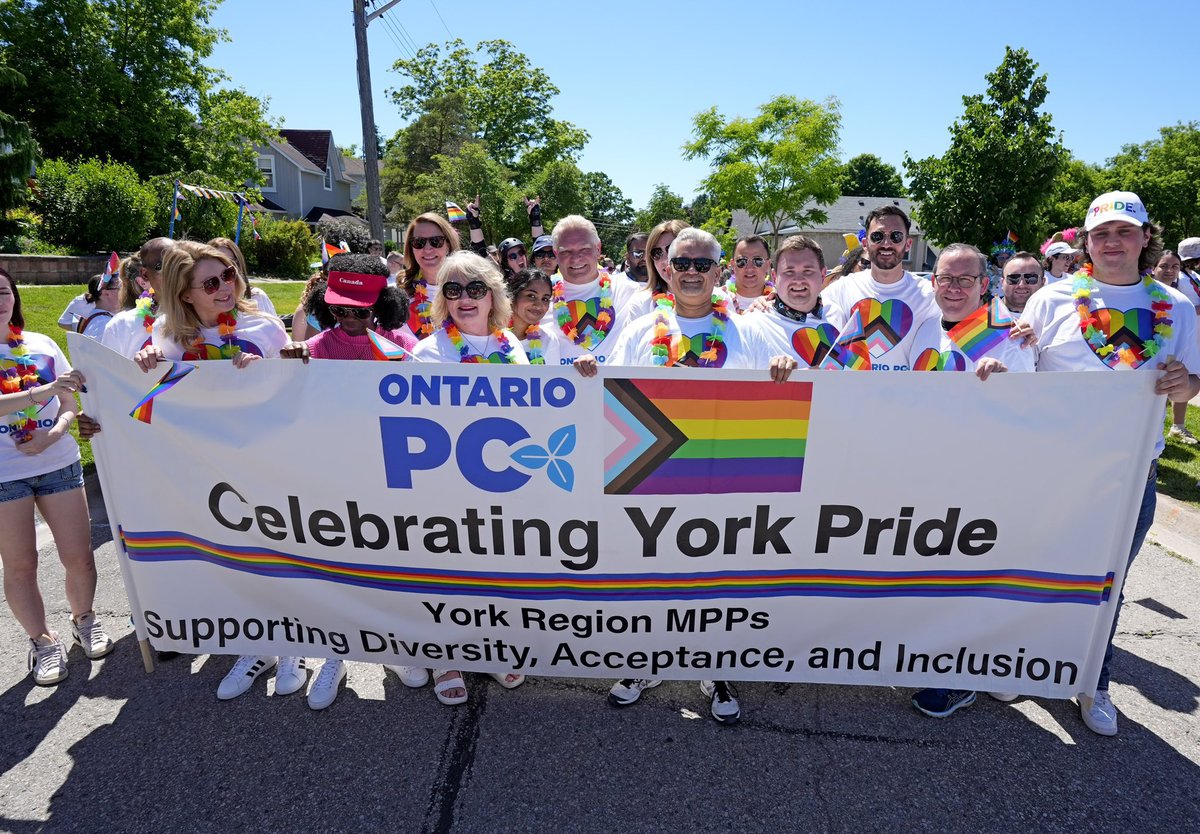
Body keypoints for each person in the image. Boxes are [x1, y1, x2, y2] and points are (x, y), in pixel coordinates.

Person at [1015, 191, 1200, 736]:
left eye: (1124, 232)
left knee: (1106, 583)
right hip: (1050, 468)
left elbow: (1191, 379)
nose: (1112, 243)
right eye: (1101, 234)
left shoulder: (1177, 304)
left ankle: (1093, 678)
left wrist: (1181, 385)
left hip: (1129, 472)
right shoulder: (1050, 299)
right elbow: (1016, 370)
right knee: (1033, 568)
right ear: (1086, 242)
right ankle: (1017, 658)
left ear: (1146, 238)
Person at [606, 228, 774, 724]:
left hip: (723, 481)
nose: (693, 273)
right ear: (665, 269)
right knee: (649, 579)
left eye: (704, 264)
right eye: (683, 264)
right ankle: (647, 661)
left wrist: (785, 369)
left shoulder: (752, 332)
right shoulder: (639, 333)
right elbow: (609, 397)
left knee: (715, 581)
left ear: (719, 271)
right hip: (652, 477)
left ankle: (715, 665)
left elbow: (786, 395)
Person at [0, 267, 114, 685]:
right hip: (4, 475)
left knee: (80, 557)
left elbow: (68, 399)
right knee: (21, 565)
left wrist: (54, 433)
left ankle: (84, 619)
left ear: (14, 297)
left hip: (58, 463)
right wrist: (41, 393)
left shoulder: (41, 344)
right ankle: (42, 642)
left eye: (3, 291)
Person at [821, 205, 938, 371]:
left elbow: (958, 328)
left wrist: (987, 359)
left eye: (896, 236)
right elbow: (806, 314)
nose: (886, 244)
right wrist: (772, 304)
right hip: (856, 393)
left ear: (908, 244)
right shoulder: (842, 289)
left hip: (909, 395)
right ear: (865, 243)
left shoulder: (930, 294)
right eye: (877, 236)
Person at [281, 255, 416, 364]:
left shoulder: (405, 347)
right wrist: (290, 360)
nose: (349, 317)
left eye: (361, 312)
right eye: (339, 310)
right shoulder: (314, 350)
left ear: (380, 306)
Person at [544, 215, 641, 366]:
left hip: (614, 389)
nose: (576, 259)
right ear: (556, 254)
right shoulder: (539, 297)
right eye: (566, 251)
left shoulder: (632, 292)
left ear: (598, 249)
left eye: (584, 249)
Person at [755, 235, 843, 372]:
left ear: (823, 274)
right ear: (774, 276)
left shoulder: (837, 314)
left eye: (807, 271)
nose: (798, 280)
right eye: (789, 272)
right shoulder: (755, 324)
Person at [100, 237, 177, 359]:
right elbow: (107, 374)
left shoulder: (205, 317)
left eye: (181, 263)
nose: (176, 272)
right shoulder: (122, 325)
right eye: (163, 266)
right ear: (145, 274)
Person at [1152, 249, 1200, 445]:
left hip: (1182, 339)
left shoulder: (1188, 282)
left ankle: (1171, 428)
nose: (1170, 271)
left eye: (1175, 266)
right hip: (1155, 344)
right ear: (1153, 268)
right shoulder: (1146, 290)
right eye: (1164, 266)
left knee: (1176, 382)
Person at [400, 212, 462, 343]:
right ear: (411, 249)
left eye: (436, 241)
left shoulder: (467, 290)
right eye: (418, 242)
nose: (428, 249)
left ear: (448, 244)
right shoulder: (400, 294)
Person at [625, 219, 689, 320]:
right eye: (657, 253)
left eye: (672, 249)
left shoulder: (718, 299)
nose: (665, 260)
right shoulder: (642, 304)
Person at [505, 267, 562, 366]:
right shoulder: (489, 334)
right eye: (531, 296)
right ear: (513, 295)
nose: (538, 305)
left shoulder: (548, 339)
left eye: (545, 299)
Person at [208, 236, 277, 317]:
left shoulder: (257, 298)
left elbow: (274, 328)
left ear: (239, 266)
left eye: (231, 262)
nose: (225, 268)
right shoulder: (203, 304)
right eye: (218, 262)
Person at [725, 235, 774, 315]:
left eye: (758, 260)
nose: (750, 268)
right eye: (741, 261)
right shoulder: (717, 299)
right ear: (733, 265)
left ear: (768, 265)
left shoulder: (780, 303)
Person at [77, 272, 122, 339]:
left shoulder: (98, 318)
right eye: (120, 288)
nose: (124, 292)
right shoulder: (104, 324)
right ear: (105, 293)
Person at [997, 250, 1044, 316]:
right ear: (1002, 283)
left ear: (1043, 283)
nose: (1021, 285)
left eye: (1031, 278)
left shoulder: (1055, 318)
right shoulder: (981, 321)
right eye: (1013, 278)